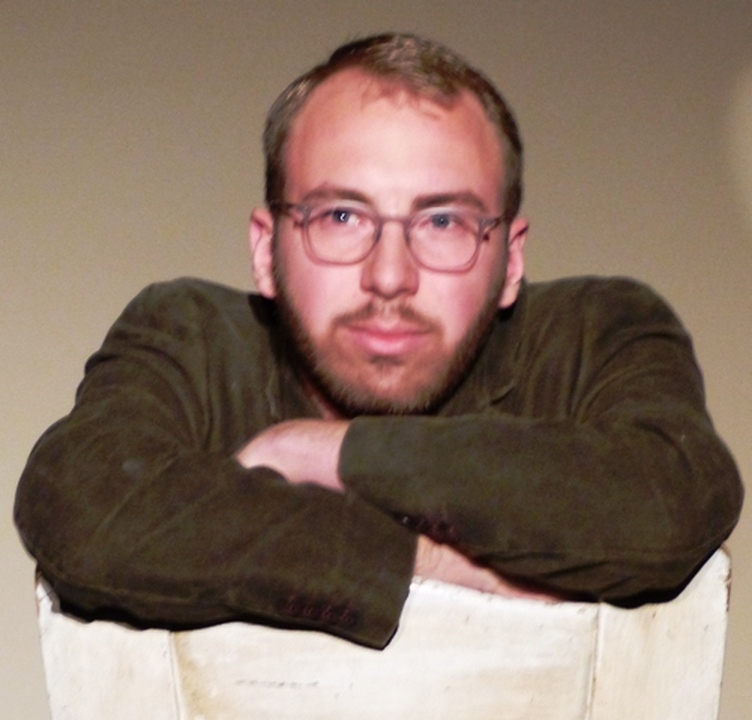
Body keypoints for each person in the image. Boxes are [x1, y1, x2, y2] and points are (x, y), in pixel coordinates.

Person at [15, 33, 742, 650]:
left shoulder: (598, 331)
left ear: (511, 260)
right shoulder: (191, 334)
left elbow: (672, 496)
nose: (389, 276)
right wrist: (427, 566)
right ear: (266, 250)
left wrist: (329, 454)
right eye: (340, 217)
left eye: (444, 222)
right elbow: (80, 502)